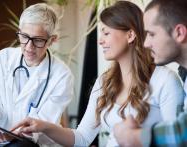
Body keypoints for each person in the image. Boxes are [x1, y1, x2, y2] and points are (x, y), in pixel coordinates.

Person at [10, 1, 185, 146]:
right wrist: (42, 126)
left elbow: (177, 142)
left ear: (130, 35)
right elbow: (82, 138)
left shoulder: (165, 81)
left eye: (106, 33)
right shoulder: (105, 81)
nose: (100, 40)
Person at [0, 3, 73, 147]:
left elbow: (45, 123)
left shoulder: (62, 75)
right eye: (24, 36)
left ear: (52, 40)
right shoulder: (1, 59)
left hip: (30, 141)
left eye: (38, 40)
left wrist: (15, 134)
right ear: (19, 31)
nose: (29, 47)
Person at [113, 0, 187, 146]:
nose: (146, 43)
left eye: (151, 34)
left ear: (179, 32)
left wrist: (133, 136)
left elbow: (183, 132)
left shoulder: (167, 79)